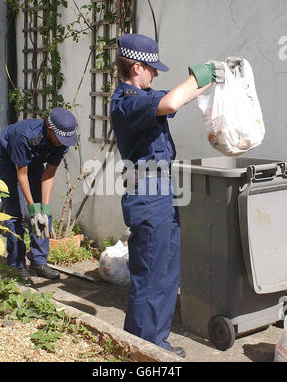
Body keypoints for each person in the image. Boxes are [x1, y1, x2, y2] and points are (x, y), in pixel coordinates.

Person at [110, 33, 239, 358]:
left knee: (166, 273)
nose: (155, 74)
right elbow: (169, 102)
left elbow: (176, 98)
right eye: (152, 69)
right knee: (151, 274)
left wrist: (214, 80)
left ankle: (156, 345)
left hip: (163, 192)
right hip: (149, 194)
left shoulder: (143, 97)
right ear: (136, 66)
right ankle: (142, 349)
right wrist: (203, 71)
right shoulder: (127, 102)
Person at [0, 107, 78, 283]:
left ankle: (39, 262)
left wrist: (42, 209)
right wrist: (32, 208)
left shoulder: (61, 144)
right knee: (16, 212)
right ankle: (16, 265)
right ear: (50, 129)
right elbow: (21, 174)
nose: (63, 143)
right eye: (60, 139)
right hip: (7, 161)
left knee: (43, 214)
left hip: (34, 162)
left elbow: (49, 174)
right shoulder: (25, 136)